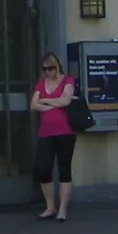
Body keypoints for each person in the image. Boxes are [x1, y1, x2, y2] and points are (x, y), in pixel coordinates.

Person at [29, 52, 79, 221]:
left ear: (57, 67)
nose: (47, 72)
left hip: (65, 132)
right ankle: (50, 206)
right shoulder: (41, 83)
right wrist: (53, 102)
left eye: (50, 68)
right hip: (46, 132)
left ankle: (62, 209)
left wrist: (46, 101)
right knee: (44, 168)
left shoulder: (68, 81)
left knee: (64, 168)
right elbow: (34, 104)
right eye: (45, 69)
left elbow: (66, 101)